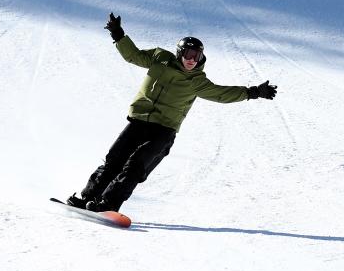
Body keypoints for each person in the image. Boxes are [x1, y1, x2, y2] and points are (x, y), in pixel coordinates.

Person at [66, 13, 277, 212]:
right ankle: (87, 198)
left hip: (164, 130)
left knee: (135, 166)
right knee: (113, 160)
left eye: (197, 55)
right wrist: (118, 35)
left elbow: (222, 94)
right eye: (188, 54)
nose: (192, 59)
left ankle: (108, 204)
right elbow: (134, 56)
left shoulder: (197, 81)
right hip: (139, 120)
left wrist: (254, 92)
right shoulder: (160, 58)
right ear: (180, 53)